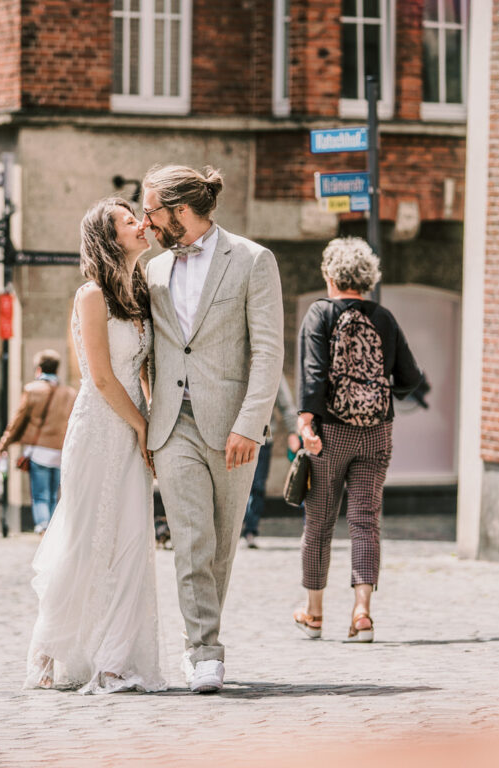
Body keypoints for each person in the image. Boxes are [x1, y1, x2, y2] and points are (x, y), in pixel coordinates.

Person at [142, 164, 283, 693]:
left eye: (152, 210)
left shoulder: (251, 260)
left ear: (180, 211)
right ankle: (204, 650)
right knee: (192, 540)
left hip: (231, 428)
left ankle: (202, 636)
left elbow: (268, 351)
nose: (146, 220)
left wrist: (251, 424)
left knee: (221, 545)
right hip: (171, 424)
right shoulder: (153, 271)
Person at [24, 197, 165, 695]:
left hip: (136, 429)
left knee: (130, 541)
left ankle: (114, 660)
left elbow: (147, 370)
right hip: (100, 426)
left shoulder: (143, 292)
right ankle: (46, 650)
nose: (142, 225)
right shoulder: (91, 296)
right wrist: (141, 426)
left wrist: (155, 423)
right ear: (109, 238)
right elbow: (100, 377)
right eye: (130, 222)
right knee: (85, 538)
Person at [294, 237, 422, 642]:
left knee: (319, 523)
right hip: (376, 432)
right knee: (366, 521)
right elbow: (410, 379)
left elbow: (313, 372)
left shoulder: (319, 313)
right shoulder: (384, 318)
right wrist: (378, 392)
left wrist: (306, 423)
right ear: (367, 278)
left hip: (330, 432)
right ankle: (362, 613)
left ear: (330, 275)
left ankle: (314, 615)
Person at [0, 350, 77, 534]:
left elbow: (17, 421)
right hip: (60, 451)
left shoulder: (32, 390)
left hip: (39, 451)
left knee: (40, 495)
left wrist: (3, 444)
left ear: (38, 369)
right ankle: (55, 530)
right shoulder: (69, 393)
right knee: (54, 495)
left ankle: (43, 527)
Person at [241, 375, 301, 548]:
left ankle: (250, 530)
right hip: (231, 437)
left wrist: (292, 432)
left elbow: (286, 404)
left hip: (262, 438)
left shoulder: (271, 364)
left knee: (257, 486)